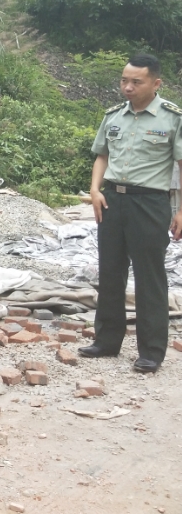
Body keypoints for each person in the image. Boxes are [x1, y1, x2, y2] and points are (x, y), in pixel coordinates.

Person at [80, 53, 182, 373]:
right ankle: (106, 341)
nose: (128, 87)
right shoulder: (114, 116)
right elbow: (102, 156)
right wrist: (95, 190)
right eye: (124, 80)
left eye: (136, 82)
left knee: (149, 276)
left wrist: (180, 210)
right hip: (112, 200)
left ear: (156, 83)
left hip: (149, 202)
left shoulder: (172, 118)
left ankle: (151, 351)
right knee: (110, 271)